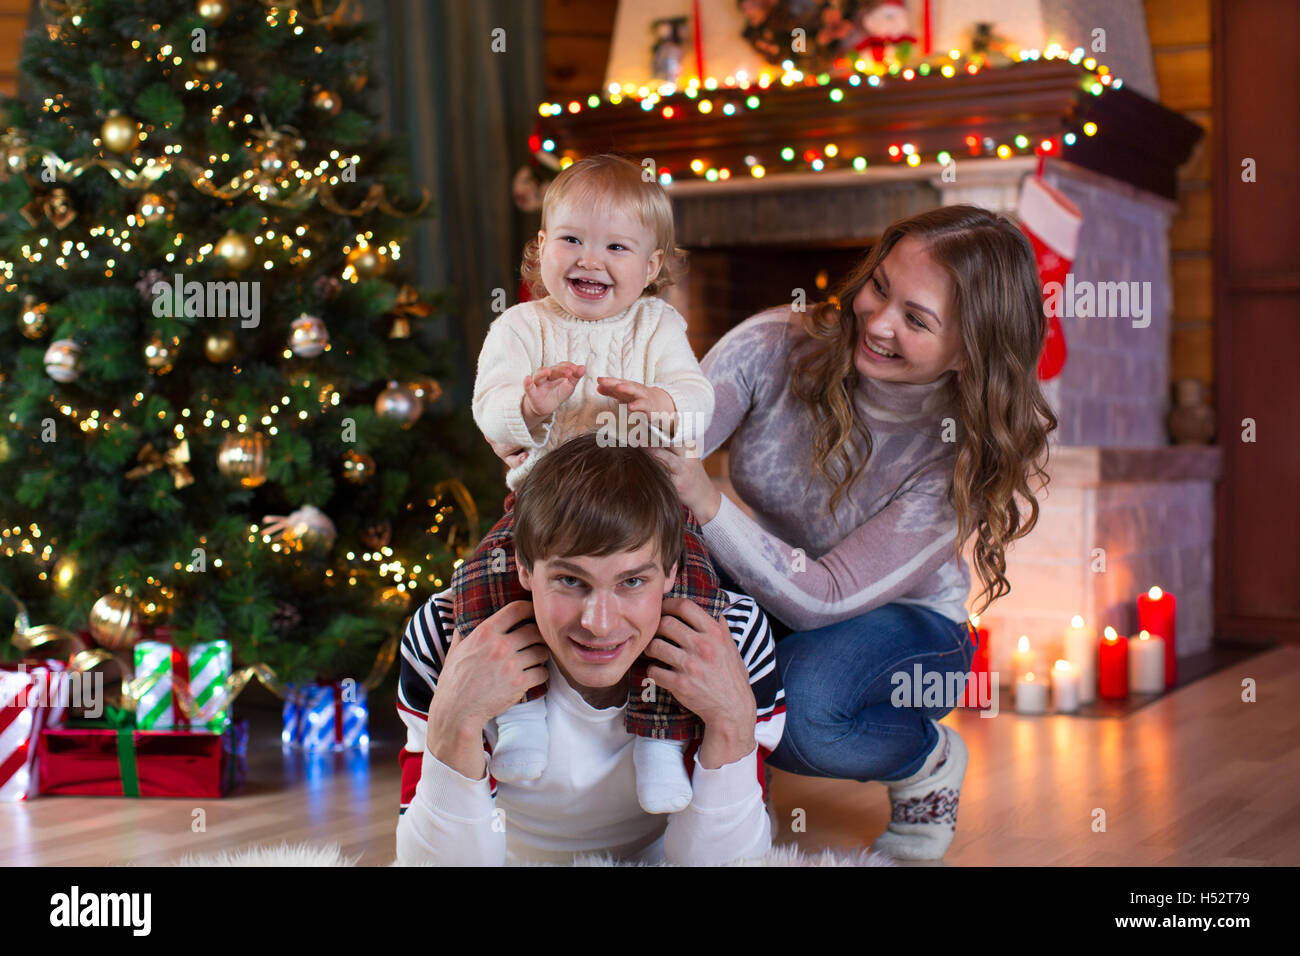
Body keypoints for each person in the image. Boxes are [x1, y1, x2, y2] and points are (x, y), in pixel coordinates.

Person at [648, 204, 1057, 861]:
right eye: (881, 286)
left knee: (803, 712)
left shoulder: (954, 457)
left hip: (908, 632)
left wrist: (704, 495)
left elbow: (826, 598)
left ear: (969, 352)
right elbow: (671, 445)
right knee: (656, 585)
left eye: (917, 319)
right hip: (778, 588)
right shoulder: (772, 345)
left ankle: (926, 759)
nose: (878, 320)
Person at [453, 153, 725, 814]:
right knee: (481, 579)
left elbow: (698, 396)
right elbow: (487, 405)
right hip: (547, 506)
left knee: (692, 589)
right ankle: (519, 713)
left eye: (616, 247)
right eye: (571, 239)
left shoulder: (658, 325)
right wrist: (529, 408)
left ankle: (661, 735)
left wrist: (662, 404)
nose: (589, 259)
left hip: (646, 505)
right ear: (541, 247)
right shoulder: (521, 327)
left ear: (652, 267)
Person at [395, 435, 785, 866]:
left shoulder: (730, 637)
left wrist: (732, 722)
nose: (599, 624)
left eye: (632, 582)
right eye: (570, 580)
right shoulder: (448, 632)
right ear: (524, 567)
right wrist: (455, 722)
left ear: (673, 570)